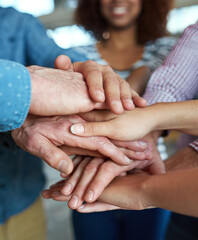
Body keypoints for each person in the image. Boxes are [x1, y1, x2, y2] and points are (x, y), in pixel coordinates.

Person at [0, 7, 147, 240]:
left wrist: (92, 77)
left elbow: (58, 60)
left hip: (23, 203)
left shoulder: (16, 23)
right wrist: (32, 88)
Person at [65, 21, 198, 240]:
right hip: (134, 163)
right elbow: (172, 84)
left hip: (155, 170)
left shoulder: (160, 48)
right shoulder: (79, 53)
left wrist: (145, 186)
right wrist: (145, 130)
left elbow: (147, 72)